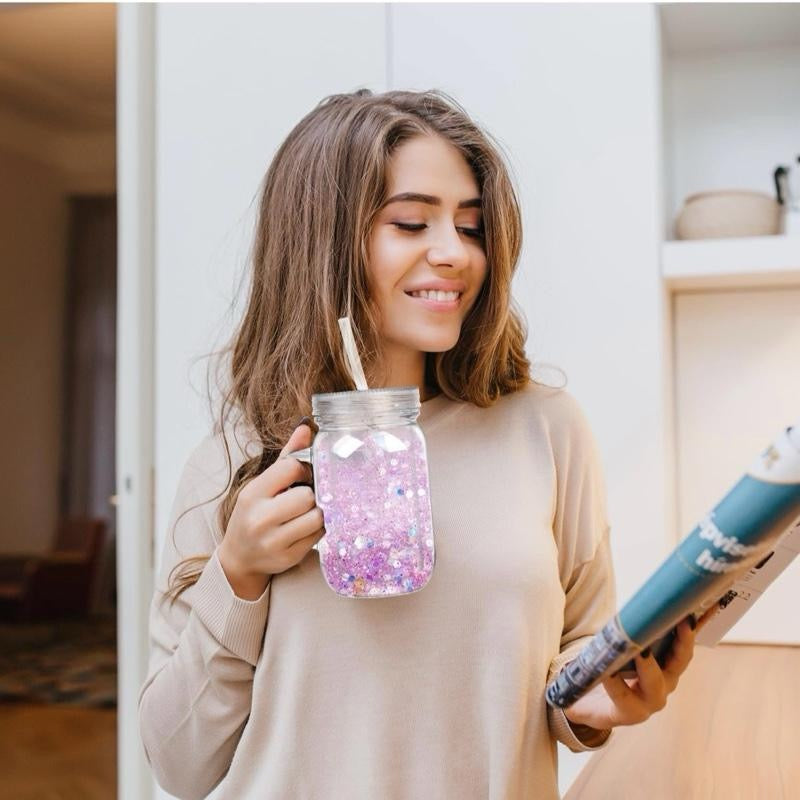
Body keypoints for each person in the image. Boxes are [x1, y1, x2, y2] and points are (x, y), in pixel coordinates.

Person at [139, 88, 701, 800]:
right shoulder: (234, 464)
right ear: (322, 242)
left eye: (470, 228)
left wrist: (595, 708)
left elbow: (571, 671)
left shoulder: (547, 430)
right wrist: (238, 574)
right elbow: (179, 764)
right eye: (411, 223)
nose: (454, 254)